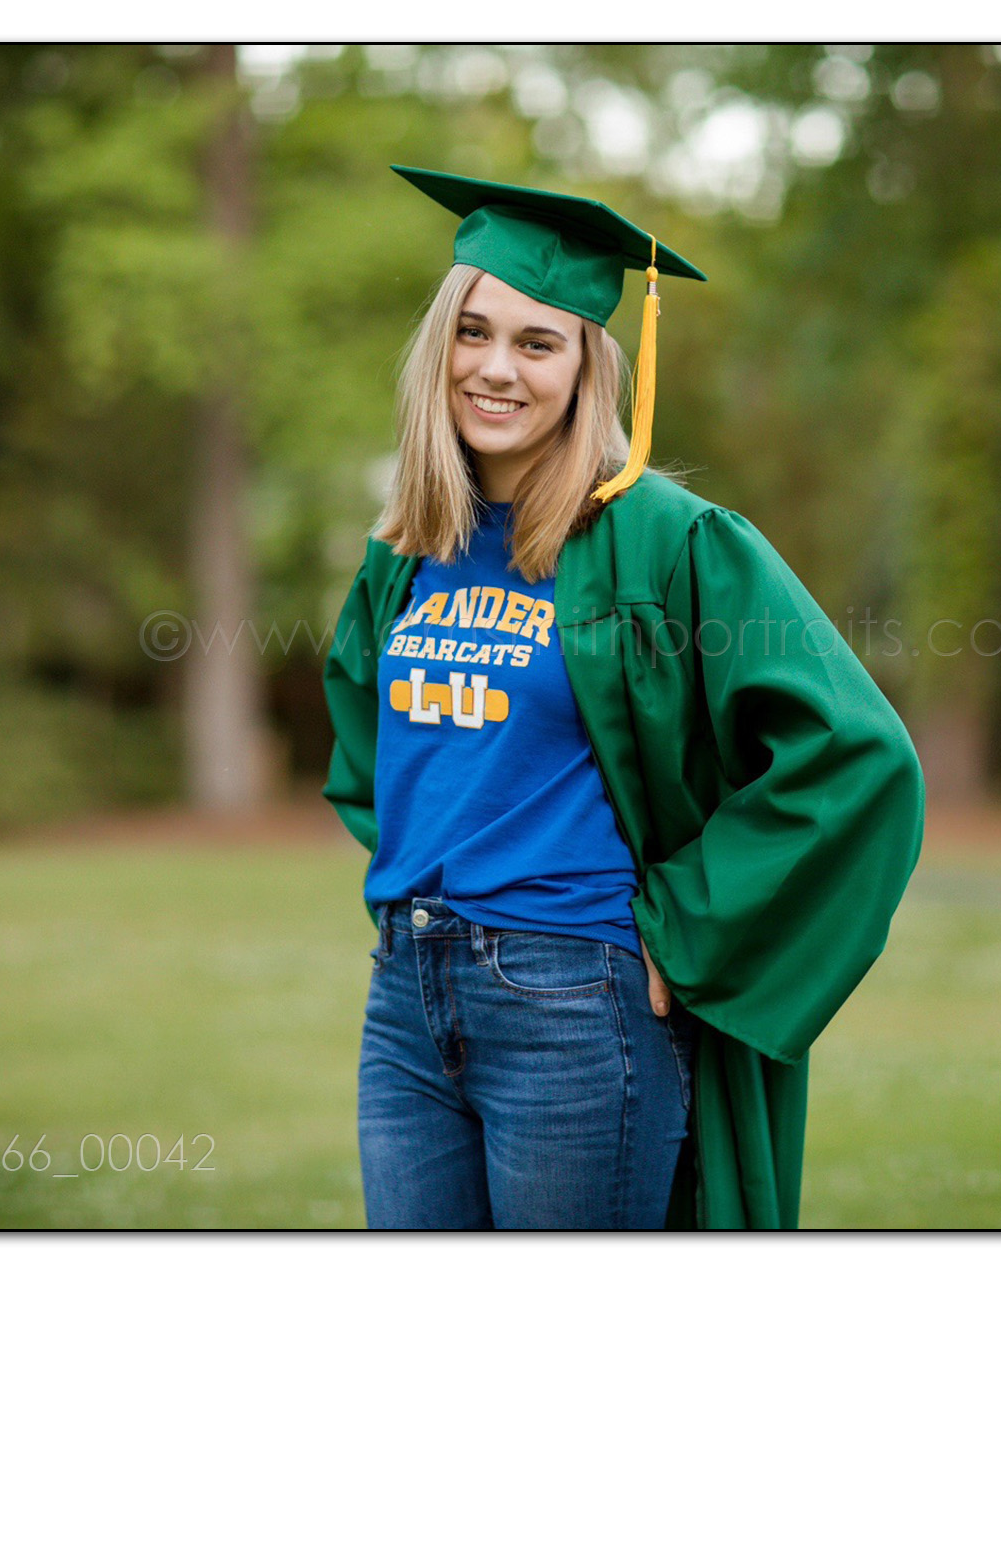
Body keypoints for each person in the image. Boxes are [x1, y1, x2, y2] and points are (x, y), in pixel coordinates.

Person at [323, 166, 925, 1229]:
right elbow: (371, 738)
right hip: (407, 995)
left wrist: (686, 922)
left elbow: (854, 753)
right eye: (472, 332)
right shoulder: (408, 544)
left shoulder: (665, 539)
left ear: (587, 367)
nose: (494, 367)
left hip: (571, 998)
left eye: (537, 343)